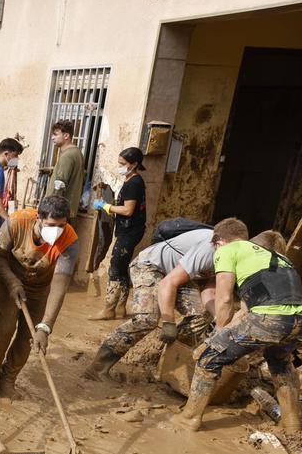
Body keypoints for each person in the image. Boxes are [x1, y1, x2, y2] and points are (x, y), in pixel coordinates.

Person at [84, 219, 249, 382]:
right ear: (221, 242)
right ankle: (97, 368)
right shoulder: (208, 249)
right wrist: (168, 322)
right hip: (151, 266)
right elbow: (167, 283)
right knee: (146, 319)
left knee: (201, 315)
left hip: (177, 275)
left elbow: (209, 292)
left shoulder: (231, 255)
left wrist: (218, 319)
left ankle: (168, 364)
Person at [172, 228, 302, 434]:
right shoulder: (279, 260)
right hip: (297, 322)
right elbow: (246, 311)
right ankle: (292, 425)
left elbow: (224, 299)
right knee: (280, 363)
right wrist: (222, 336)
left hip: (270, 318)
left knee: (209, 359)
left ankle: (188, 418)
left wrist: (215, 341)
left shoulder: (228, 250)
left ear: (220, 243)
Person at [0, 196, 79, 398]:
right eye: (51, 225)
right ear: (39, 218)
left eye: (62, 225)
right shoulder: (16, 222)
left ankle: (7, 380)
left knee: (29, 337)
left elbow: (60, 283)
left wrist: (46, 326)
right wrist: (12, 281)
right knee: (5, 328)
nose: (57, 230)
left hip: (39, 287)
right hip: (9, 279)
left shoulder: (69, 240)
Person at [89, 147, 148, 320]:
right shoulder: (132, 180)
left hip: (129, 231)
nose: (119, 167)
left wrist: (106, 207)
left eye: (123, 164)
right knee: (122, 269)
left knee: (115, 268)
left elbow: (128, 210)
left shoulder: (133, 183)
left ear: (134, 164)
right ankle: (120, 308)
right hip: (131, 229)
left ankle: (108, 310)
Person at [45, 119, 84, 208]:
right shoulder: (76, 152)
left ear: (66, 136)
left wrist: (49, 208)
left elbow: (59, 186)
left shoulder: (67, 155)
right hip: (67, 208)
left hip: (57, 211)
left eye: (55, 134)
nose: (52, 138)